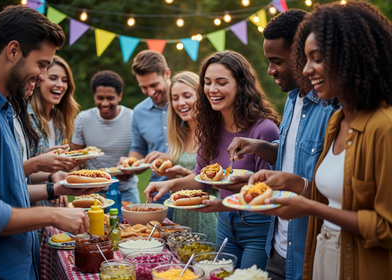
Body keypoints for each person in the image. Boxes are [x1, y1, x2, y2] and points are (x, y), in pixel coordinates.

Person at [249, 2, 392, 279]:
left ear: (351, 57)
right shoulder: (338, 124)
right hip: (321, 256)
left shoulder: (383, 128)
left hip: (360, 263)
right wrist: (290, 183)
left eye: (316, 59)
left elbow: (386, 226)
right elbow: (333, 197)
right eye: (306, 58)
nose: (305, 70)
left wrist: (309, 206)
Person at [227, 9, 337, 280]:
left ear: (302, 55)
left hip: (309, 249)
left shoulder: (332, 108)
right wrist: (258, 146)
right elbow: (290, 155)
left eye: (277, 61)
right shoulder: (291, 99)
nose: (270, 70)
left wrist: (293, 182)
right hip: (276, 246)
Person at [145, 50, 280, 269]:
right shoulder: (209, 128)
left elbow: (267, 190)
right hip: (225, 225)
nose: (212, 90)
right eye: (207, 82)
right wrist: (169, 184)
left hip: (257, 227)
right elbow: (202, 179)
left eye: (221, 82)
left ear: (241, 83)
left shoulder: (263, 130)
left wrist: (220, 204)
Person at [0, 5, 97, 279]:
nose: (42, 77)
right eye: (41, 65)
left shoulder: (3, 111)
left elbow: (9, 193)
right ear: (13, 51)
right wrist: (53, 216)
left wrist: (56, 188)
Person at [150, 71, 218, 242]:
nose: (180, 103)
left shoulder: (215, 133)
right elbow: (184, 180)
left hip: (209, 215)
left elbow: (220, 185)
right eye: (175, 98)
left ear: (201, 96)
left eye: (187, 96)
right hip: (182, 213)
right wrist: (172, 173)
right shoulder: (180, 134)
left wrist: (184, 174)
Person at [71, 70, 139, 204]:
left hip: (126, 191)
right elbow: (76, 159)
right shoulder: (83, 119)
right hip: (92, 191)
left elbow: (138, 156)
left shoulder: (133, 118)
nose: (105, 103)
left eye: (110, 98)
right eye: (100, 98)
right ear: (94, 96)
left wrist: (129, 168)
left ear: (120, 96)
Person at [119, 50, 173, 217]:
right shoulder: (139, 111)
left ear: (167, 73)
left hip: (189, 192)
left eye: (154, 85)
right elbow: (138, 149)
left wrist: (170, 156)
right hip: (157, 196)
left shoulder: (187, 104)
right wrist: (130, 163)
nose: (150, 92)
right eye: (144, 87)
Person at [29, 55, 79, 155]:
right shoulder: (25, 117)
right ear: (39, 81)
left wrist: (72, 163)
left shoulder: (61, 119)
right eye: (53, 78)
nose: (60, 84)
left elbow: (59, 166)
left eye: (64, 80)